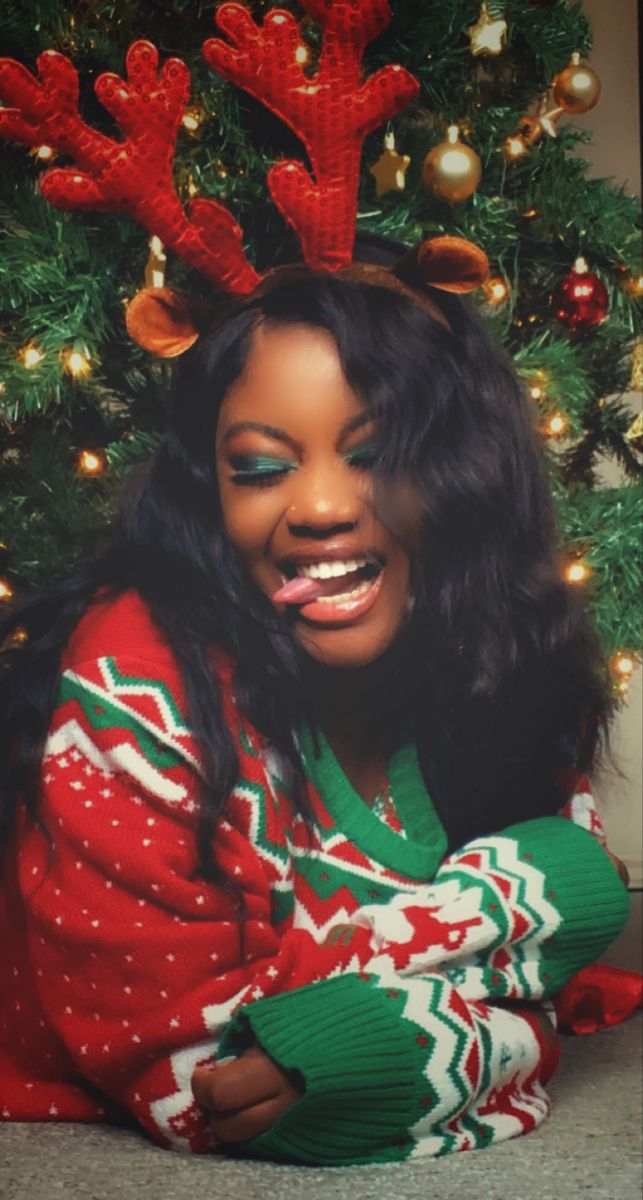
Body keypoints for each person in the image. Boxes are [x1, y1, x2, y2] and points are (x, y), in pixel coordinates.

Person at [0, 247, 631, 1164]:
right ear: (210, 493)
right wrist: (510, 1030)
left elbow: (578, 874)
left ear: (467, 476)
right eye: (260, 467)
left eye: (377, 455)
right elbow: (204, 1084)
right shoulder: (136, 680)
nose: (322, 508)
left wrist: (358, 1024)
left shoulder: (498, 649)